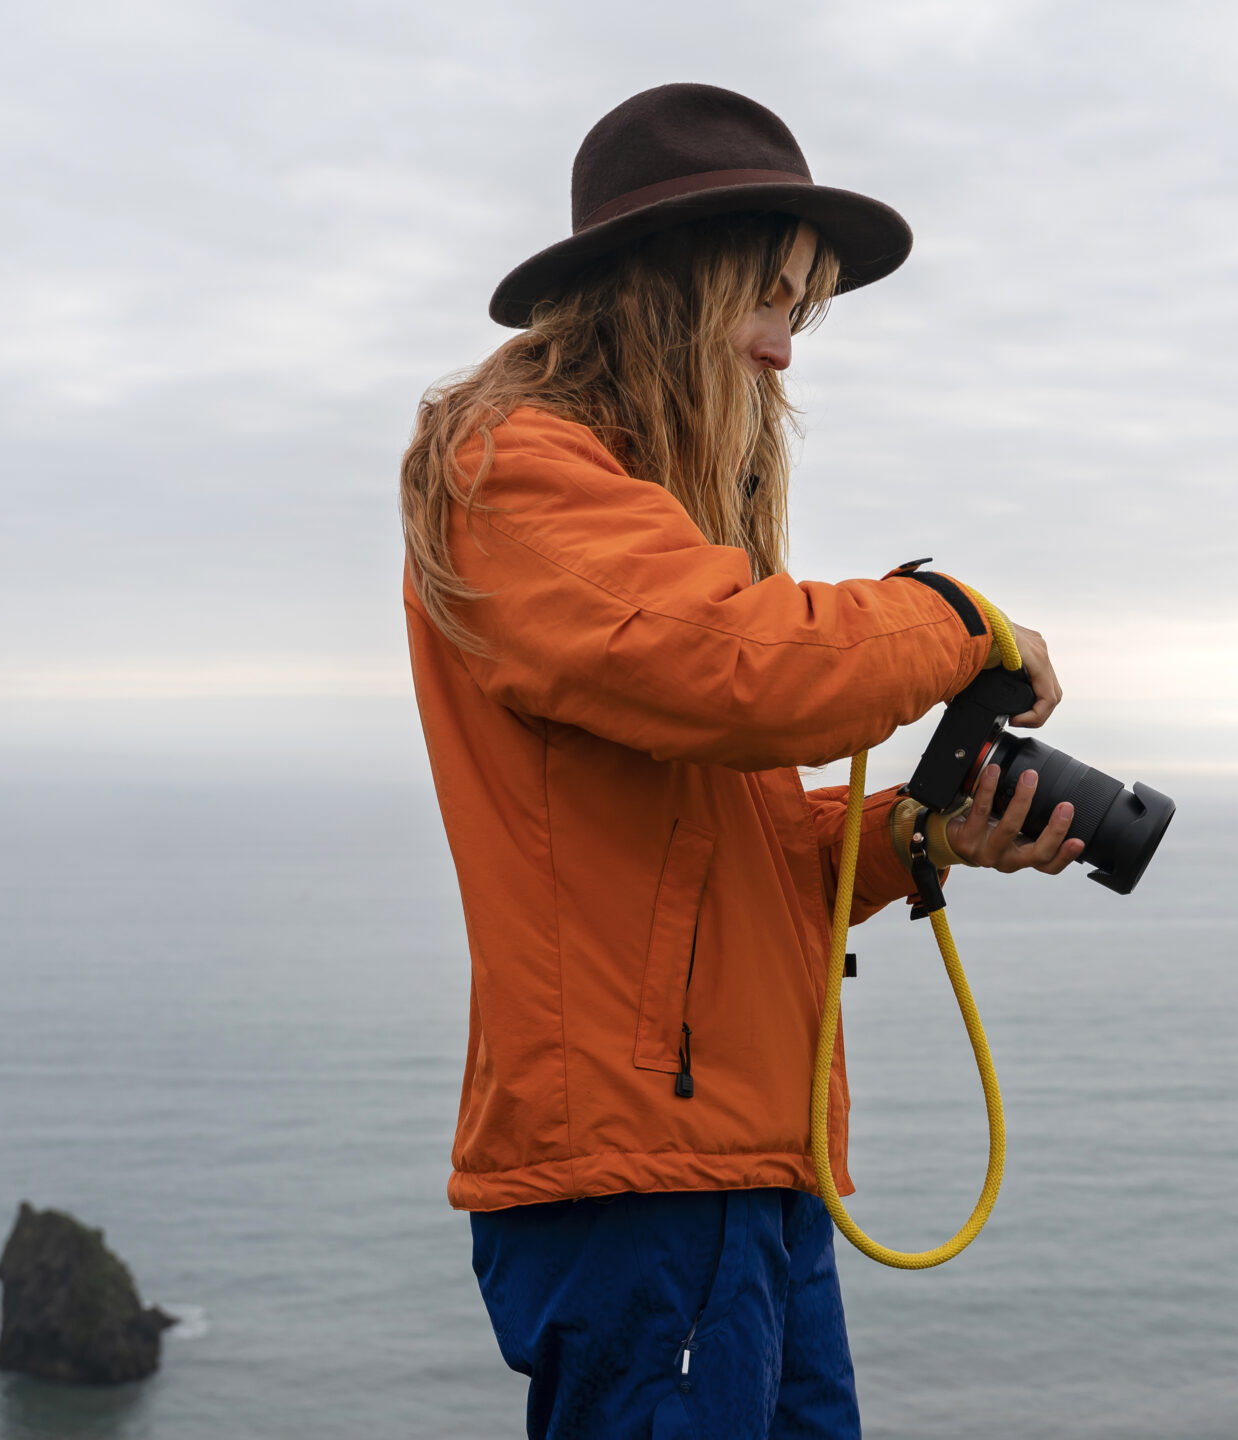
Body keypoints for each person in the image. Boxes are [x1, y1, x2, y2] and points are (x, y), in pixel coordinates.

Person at [400, 83, 1083, 1439]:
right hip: (644, 1176)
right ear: (667, 288)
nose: (782, 352)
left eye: (800, 314)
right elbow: (745, 666)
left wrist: (921, 839)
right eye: (768, 301)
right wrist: (950, 616)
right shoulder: (513, 471)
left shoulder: (652, 529)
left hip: (739, 1162)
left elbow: (734, 850)